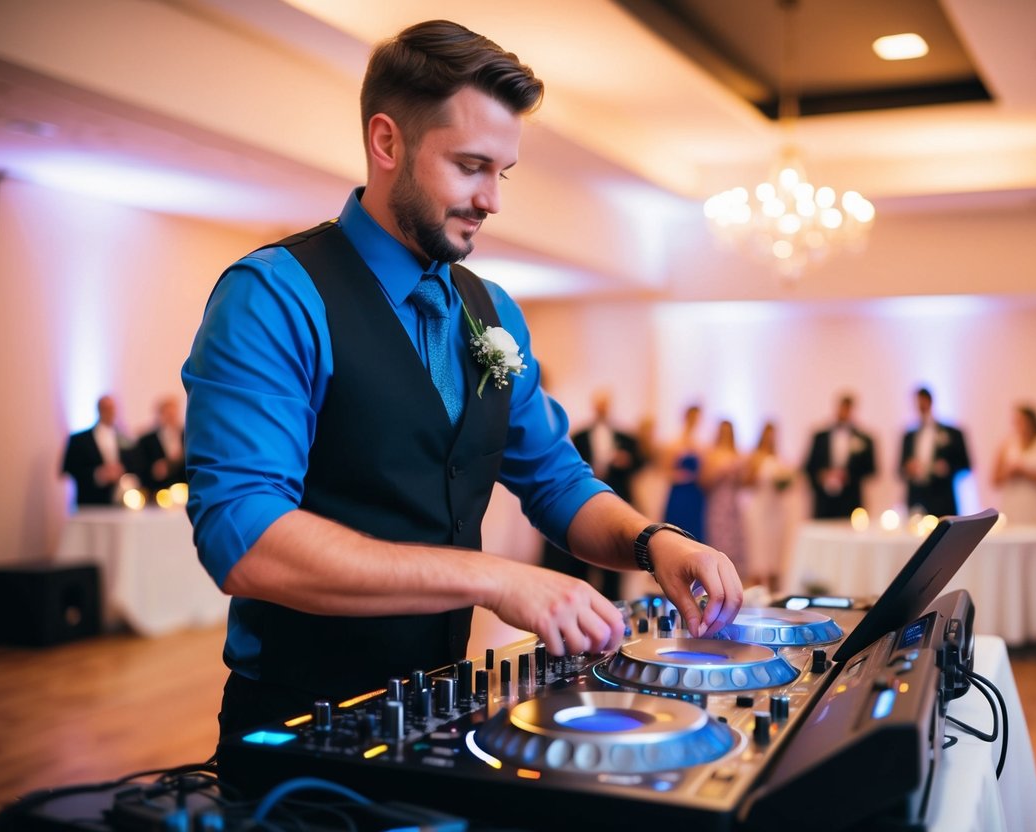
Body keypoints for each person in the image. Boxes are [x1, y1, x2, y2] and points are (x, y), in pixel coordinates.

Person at [181, 20, 742, 740]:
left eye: (500, 173)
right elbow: (244, 536)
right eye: (470, 166)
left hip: (441, 703)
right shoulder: (274, 295)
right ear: (387, 143)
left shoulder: (491, 311)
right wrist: (493, 576)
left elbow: (555, 481)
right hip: (297, 718)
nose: (492, 200)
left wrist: (652, 541)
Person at [541, 388, 645, 598]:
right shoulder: (579, 435)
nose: (602, 408)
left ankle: (614, 604)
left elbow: (641, 461)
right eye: (599, 404)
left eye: (605, 404)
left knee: (615, 558)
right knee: (581, 558)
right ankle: (583, 600)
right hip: (583, 498)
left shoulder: (626, 437)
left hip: (617, 497)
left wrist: (625, 461)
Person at [899, 387, 970, 516]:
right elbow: (900, 468)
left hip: (942, 498)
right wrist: (909, 468)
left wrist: (946, 468)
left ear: (930, 401)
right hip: (916, 499)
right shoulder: (909, 435)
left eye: (922, 401)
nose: (920, 406)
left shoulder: (952, 433)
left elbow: (965, 464)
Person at [803, 393, 876, 519]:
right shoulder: (820, 437)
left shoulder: (864, 438)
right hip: (824, 503)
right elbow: (808, 466)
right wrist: (823, 475)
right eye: (842, 407)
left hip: (851, 500)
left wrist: (848, 475)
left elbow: (871, 469)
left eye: (848, 408)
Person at [60, 394, 139, 506]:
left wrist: (121, 470)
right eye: (105, 408)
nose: (109, 412)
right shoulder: (79, 440)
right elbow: (69, 468)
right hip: (90, 503)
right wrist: (98, 474)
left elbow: (136, 465)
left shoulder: (124, 437)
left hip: (121, 502)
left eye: (111, 408)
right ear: (99, 410)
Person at [991, 403, 1036, 525]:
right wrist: (1010, 472)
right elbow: (995, 479)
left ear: (1032, 421)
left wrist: (1028, 473)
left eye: (1022, 420)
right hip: (1013, 506)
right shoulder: (1007, 444)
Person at [742, 422, 793, 589]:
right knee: (758, 550)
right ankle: (757, 587)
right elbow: (746, 482)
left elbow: (787, 485)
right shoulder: (755, 457)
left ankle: (773, 587)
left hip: (776, 510)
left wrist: (784, 482)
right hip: (759, 509)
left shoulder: (780, 458)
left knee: (774, 551)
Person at [700, 420, 747, 576]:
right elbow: (704, 481)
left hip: (732, 503)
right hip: (717, 503)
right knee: (718, 539)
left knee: (735, 542)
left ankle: (732, 575)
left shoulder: (737, 453)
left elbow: (744, 483)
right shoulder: (711, 453)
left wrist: (739, 474)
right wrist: (720, 472)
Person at [661, 404, 707, 543]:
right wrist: (681, 476)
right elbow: (666, 471)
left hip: (695, 493)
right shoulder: (675, 443)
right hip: (680, 492)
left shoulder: (700, 444)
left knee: (694, 531)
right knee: (677, 528)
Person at [137, 395, 186, 492]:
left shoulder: (186, 436)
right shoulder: (147, 440)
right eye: (168, 414)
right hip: (158, 491)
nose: (172, 418)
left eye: (174, 414)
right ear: (160, 415)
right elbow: (141, 468)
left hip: (183, 490)